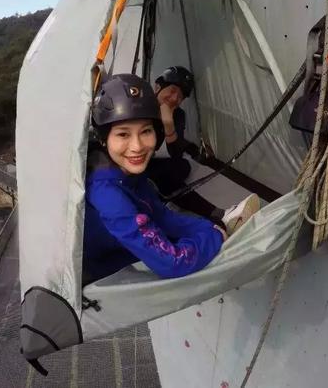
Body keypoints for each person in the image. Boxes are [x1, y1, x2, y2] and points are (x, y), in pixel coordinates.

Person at [83, 73, 256, 283]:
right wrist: (215, 237)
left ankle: (221, 220)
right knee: (190, 256)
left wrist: (209, 226)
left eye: (146, 131)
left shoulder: (126, 172)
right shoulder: (107, 195)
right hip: (103, 273)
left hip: (122, 248)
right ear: (104, 139)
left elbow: (161, 215)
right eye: (123, 134)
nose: (137, 146)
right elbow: (173, 263)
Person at [145, 66, 257, 229]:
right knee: (166, 176)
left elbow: (175, 153)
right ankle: (221, 215)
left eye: (181, 96)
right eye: (173, 89)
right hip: (136, 163)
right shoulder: (141, 106)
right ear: (158, 86)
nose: (175, 98)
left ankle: (166, 193)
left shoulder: (178, 115)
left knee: (183, 166)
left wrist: (169, 125)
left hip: (153, 161)